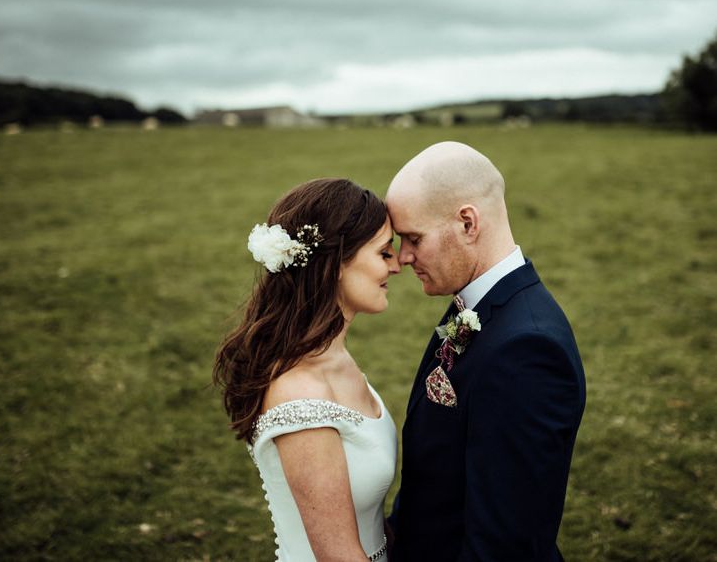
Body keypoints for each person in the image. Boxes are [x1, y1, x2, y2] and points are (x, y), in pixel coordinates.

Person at [385, 142, 586, 561]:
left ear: (467, 223)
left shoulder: (528, 351)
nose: (403, 257)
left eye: (413, 238)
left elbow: (504, 541)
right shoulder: (478, 303)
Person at [213, 178, 400, 562]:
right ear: (336, 264)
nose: (398, 265)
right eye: (384, 253)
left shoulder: (335, 359)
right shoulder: (300, 394)